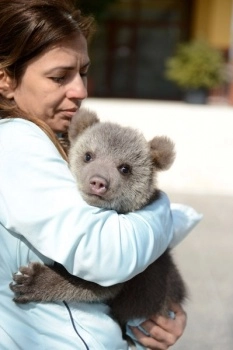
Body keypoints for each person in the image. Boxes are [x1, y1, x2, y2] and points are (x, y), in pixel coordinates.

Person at [0, 0, 199, 349]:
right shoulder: (15, 139)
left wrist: (152, 321)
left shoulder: (56, 140)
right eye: (59, 77)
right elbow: (108, 254)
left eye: (83, 73)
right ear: (5, 78)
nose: (80, 91)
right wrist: (162, 209)